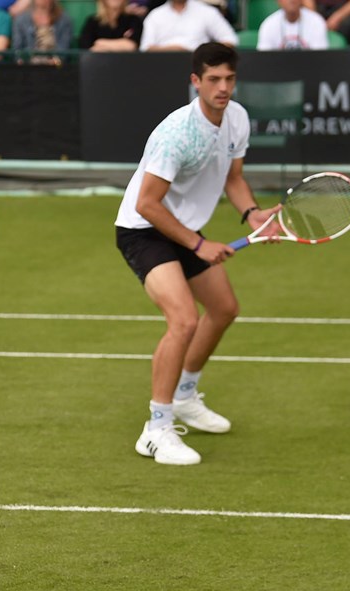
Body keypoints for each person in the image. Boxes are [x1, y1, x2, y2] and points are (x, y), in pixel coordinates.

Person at [113, 42, 278, 467]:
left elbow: (234, 178)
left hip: (182, 227)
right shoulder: (176, 134)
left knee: (223, 308)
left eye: (229, 79)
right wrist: (199, 243)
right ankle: (156, 428)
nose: (223, 88)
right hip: (143, 230)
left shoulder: (236, 118)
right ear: (195, 82)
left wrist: (253, 214)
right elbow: (148, 204)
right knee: (183, 319)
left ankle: (185, 395)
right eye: (214, 80)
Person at [139, 0, 237, 51]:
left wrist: (203, 52)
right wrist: (174, 50)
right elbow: (145, 48)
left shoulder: (207, 12)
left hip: (199, 67)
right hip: (161, 67)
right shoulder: (155, 15)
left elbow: (230, 40)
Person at [256, 0, 328, 49]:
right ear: (278, 1)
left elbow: (320, 59)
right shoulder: (268, 25)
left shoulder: (316, 22)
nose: (291, 0)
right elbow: (263, 60)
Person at [77, 0, 143, 50]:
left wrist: (100, 42)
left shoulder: (133, 20)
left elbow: (131, 46)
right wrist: (120, 45)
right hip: (99, 64)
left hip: (127, 64)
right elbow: (87, 48)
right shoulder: (93, 21)